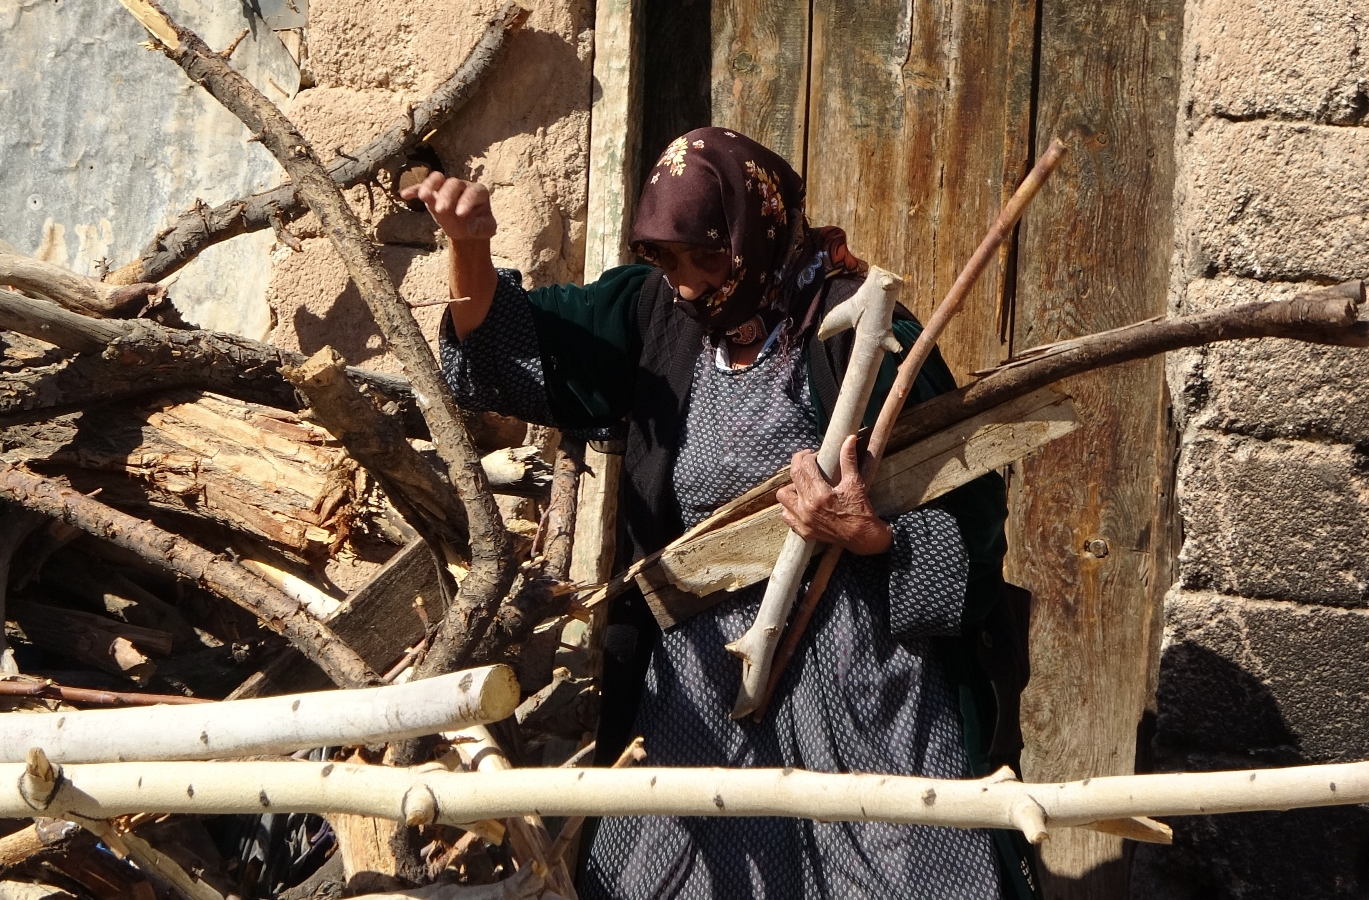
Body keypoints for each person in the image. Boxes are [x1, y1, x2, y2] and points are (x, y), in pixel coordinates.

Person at [404, 128, 1039, 900]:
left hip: (859, 673)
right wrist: (468, 251)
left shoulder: (859, 330)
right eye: (665, 258)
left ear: (753, 235)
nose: (686, 282)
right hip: (705, 682)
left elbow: (974, 510)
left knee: (890, 869)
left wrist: (870, 535)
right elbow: (519, 347)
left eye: (706, 257)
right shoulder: (654, 316)